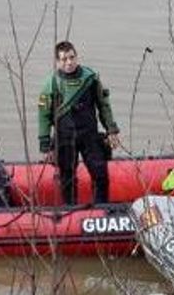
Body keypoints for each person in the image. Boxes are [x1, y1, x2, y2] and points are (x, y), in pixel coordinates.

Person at [37, 41, 121, 205]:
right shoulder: (51, 84)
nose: (69, 63)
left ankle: (101, 209)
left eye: (71, 57)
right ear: (57, 62)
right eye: (63, 59)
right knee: (67, 178)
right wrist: (45, 146)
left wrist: (111, 130)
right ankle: (71, 212)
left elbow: (103, 106)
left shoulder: (90, 78)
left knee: (100, 174)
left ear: (76, 56)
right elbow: (43, 116)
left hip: (90, 135)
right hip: (65, 137)